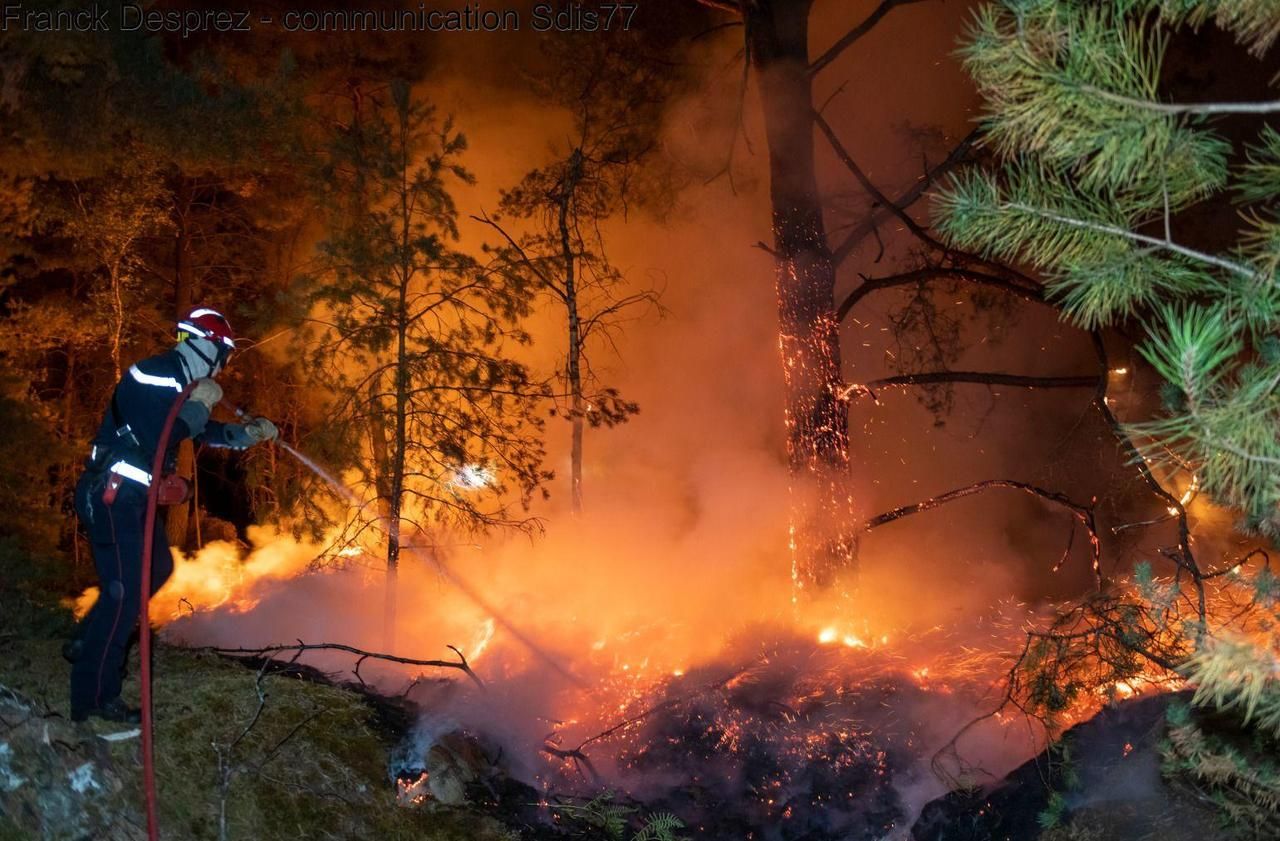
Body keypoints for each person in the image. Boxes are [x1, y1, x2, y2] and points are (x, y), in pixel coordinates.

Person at [67, 307, 277, 723]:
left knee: (158, 569)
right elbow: (160, 435)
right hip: (111, 494)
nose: (224, 365)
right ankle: (92, 700)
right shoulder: (156, 373)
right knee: (124, 594)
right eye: (225, 353)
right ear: (207, 345)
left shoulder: (181, 384)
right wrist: (197, 404)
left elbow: (201, 430)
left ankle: (87, 640)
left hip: (133, 500)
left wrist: (245, 434)